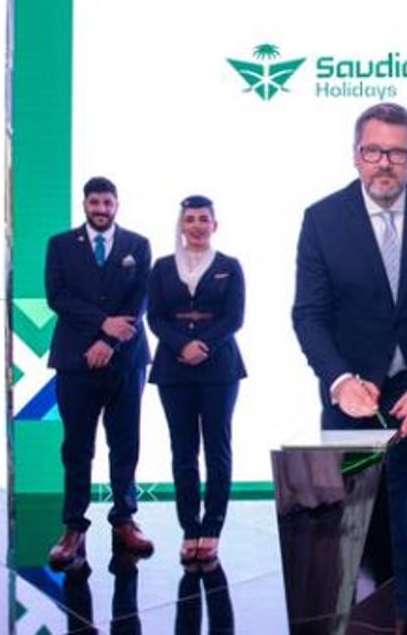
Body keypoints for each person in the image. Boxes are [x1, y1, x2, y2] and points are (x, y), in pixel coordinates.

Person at [291, 102, 407, 634]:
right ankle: (362, 622)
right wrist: (339, 380)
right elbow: (309, 313)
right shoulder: (322, 219)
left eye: (397, 152)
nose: (385, 163)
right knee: (354, 521)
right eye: (373, 151)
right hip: (354, 395)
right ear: (356, 156)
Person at [45, 176, 154, 569]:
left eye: (108, 203)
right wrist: (102, 324)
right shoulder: (60, 245)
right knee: (77, 447)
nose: (101, 209)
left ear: (116, 205)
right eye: (95, 203)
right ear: (85, 205)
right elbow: (57, 297)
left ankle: (124, 519)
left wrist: (109, 341)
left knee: (125, 444)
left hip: (126, 359)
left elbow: (140, 299)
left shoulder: (137, 245)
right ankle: (73, 527)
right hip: (75, 360)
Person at [147, 195, 247, 564]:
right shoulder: (161, 267)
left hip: (219, 367)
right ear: (182, 225)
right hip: (173, 368)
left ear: (214, 225)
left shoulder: (229, 266)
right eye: (190, 219)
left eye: (204, 219)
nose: (197, 226)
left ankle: (213, 528)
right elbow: (155, 317)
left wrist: (202, 344)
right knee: (183, 450)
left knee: (217, 448)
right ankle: (190, 527)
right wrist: (182, 345)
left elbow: (234, 317)